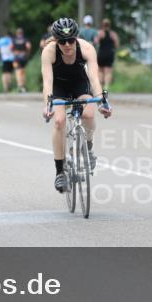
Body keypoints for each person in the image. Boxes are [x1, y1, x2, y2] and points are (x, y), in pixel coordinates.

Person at [40, 17, 112, 193]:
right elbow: (47, 82)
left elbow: (94, 78)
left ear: (76, 38)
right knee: (59, 121)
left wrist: (102, 101)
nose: (67, 45)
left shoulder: (86, 48)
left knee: (88, 114)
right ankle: (60, 172)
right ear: (56, 41)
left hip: (79, 83)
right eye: (62, 41)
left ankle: (87, 146)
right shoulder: (49, 52)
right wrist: (47, 105)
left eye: (71, 40)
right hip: (58, 86)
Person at [95, 19, 120, 89]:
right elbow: (117, 45)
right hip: (110, 54)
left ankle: (100, 86)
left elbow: (96, 42)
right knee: (108, 72)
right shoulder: (113, 34)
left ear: (102, 25)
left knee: (100, 70)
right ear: (109, 25)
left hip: (101, 53)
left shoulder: (99, 33)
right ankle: (106, 88)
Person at [11, 27, 32, 93]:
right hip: (24, 57)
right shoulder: (25, 39)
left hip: (17, 57)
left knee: (18, 71)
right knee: (22, 71)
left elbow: (10, 47)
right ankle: (23, 87)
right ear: (22, 33)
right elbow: (28, 46)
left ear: (16, 33)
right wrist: (27, 53)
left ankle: (19, 85)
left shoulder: (14, 40)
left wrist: (14, 52)